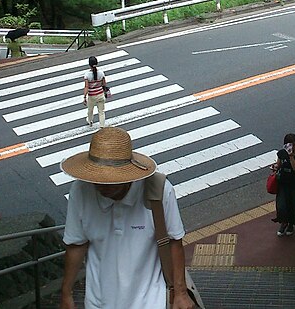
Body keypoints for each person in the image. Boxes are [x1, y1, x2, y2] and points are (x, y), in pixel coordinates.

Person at [59, 126, 194, 309]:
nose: (102, 186)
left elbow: (174, 241)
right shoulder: (81, 190)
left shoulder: (159, 191)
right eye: (97, 179)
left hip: (149, 302)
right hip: (97, 303)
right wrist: (66, 292)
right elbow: (76, 244)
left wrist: (180, 292)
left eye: (111, 181)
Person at [273, 132, 295, 237]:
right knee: (281, 205)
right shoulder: (281, 153)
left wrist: (291, 156)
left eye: (293, 144)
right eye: (288, 144)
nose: (291, 147)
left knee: (293, 205)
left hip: (294, 184)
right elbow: (278, 164)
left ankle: (291, 223)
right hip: (282, 183)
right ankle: (283, 223)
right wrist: (275, 167)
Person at [83, 56, 106, 127]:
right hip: (100, 94)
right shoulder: (101, 73)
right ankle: (102, 126)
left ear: (89, 65)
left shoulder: (87, 75)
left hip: (92, 96)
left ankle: (90, 121)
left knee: (90, 110)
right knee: (101, 112)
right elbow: (104, 84)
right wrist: (105, 92)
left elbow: (86, 87)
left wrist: (84, 96)